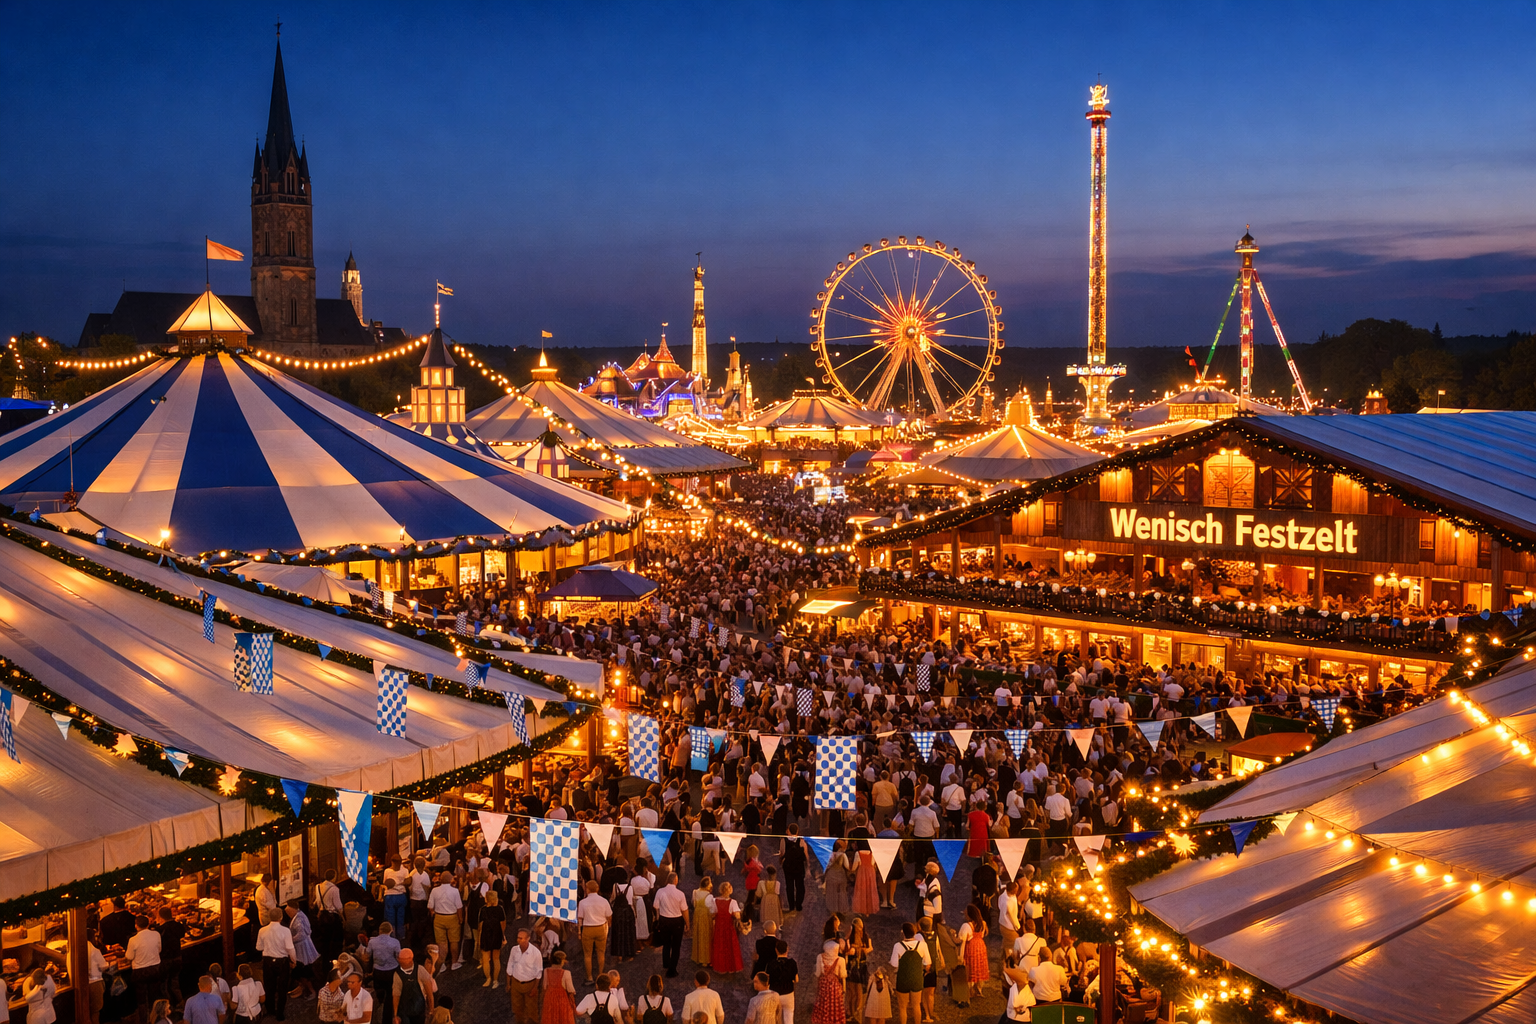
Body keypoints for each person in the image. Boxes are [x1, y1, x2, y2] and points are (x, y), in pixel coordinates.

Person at [256, 906, 298, 1021]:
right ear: (281, 917)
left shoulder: (262, 930)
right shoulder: (285, 931)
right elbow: (290, 949)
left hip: (267, 961)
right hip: (282, 961)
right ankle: (280, 1014)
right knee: (282, 988)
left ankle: (270, 1010)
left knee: (269, 987)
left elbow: (258, 947)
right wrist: (293, 960)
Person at [125, 914, 163, 1024]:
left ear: (136, 926)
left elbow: (129, 957)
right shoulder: (156, 934)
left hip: (140, 971)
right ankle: (155, 1019)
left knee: (142, 1000)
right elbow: (159, 949)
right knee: (154, 997)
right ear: (148, 924)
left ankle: (143, 1021)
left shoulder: (133, 940)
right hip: (155, 969)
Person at [889, 924, 928, 1024]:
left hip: (902, 980)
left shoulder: (898, 946)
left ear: (903, 933)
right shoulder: (922, 945)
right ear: (914, 933)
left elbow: (894, 964)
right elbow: (927, 963)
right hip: (917, 979)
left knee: (902, 1007)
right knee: (916, 1005)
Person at [652, 873, 690, 978]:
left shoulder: (660, 891)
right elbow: (684, 910)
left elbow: (655, 906)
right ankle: (672, 969)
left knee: (666, 944)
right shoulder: (680, 894)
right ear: (676, 880)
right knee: (676, 946)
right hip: (677, 921)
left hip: (664, 920)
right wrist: (688, 924)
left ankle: (666, 963)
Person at [427, 873, 465, 972]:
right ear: (450, 879)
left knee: (441, 942)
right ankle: (454, 962)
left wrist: (433, 912)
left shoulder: (434, 891)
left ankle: (442, 964)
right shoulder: (455, 891)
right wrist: (460, 918)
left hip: (439, 918)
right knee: (454, 941)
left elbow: (430, 906)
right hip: (452, 918)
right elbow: (459, 907)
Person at [577, 880, 613, 983]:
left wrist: (579, 932)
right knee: (601, 953)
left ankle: (589, 977)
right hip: (601, 928)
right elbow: (609, 915)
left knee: (587, 954)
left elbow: (580, 919)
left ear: (587, 889)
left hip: (588, 929)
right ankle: (600, 975)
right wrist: (608, 926)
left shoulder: (583, 902)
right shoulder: (604, 901)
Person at [505, 929, 543, 1024]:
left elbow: (539, 972)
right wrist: (508, 983)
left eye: (521, 938)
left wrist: (535, 988)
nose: (519, 940)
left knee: (531, 1011)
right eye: (518, 938)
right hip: (516, 984)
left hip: (530, 985)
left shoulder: (536, 953)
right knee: (517, 1010)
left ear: (528, 939)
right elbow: (510, 965)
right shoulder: (514, 950)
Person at [367, 923, 402, 1024]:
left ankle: (379, 1005)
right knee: (390, 994)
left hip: (378, 971)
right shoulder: (395, 942)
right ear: (391, 930)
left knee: (380, 991)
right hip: (392, 971)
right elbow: (398, 956)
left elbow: (368, 954)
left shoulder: (372, 942)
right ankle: (388, 1015)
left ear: (380, 930)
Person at [709, 882, 744, 975]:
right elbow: (737, 916)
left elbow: (713, 913)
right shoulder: (733, 902)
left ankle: (720, 967)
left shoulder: (715, 900)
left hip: (719, 926)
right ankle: (730, 967)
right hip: (729, 927)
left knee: (719, 945)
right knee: (729, 946)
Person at [286, 900, 320, 1000]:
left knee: (303, 970)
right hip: (303, 948)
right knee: (301, 970)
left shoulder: (298, 920)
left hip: (302, 950)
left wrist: (290, 940)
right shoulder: (300, 915)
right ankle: (302, 987)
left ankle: (310, 990)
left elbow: (301, 934)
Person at [153, 906, 185, 1008]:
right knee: (175, 983)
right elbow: (182, 934)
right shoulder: (178, 926)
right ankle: (181, 1003)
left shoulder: (159, 930)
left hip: (166, 960)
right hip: (177, 957)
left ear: (160, 917)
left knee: (164, 985)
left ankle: (168, 1007)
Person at [392, 948, 435, 1024]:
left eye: (403, 960)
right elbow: (396, 995)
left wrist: (431, 1010)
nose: (400, 961)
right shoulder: (397, 974)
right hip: (404, 1011)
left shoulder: (420, 970)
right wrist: (395, 1015)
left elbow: (429, 993)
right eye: (399, 959)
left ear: (410, 958)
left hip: (420, 1010)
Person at [811, 939, 846, 1024]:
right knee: (834, 1007)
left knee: (823, 1005)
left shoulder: (820, 957)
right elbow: (842, 976)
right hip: (835, 987)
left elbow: (818, 973)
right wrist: (844, 989)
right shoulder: (840, 960)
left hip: (823, 986)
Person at [845, 917, 872, 1023]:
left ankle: (856, 1013)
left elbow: (870, 947)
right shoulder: (850, 938)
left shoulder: (865, 937)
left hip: (860, 967)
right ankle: (852, 1013)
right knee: (852, 992)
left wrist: (860, 949)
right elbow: (847, 951)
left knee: (858, 992)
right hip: (853, 968)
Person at [478, 891, 507, 987]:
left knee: (485, 959)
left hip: (485, 935)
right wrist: (502, 935)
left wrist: (478, 939)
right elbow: (503, 924)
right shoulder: (500, 909)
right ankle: (495, 980)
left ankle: (488, 979)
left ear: (486, 898)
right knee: (496, 958)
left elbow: (480, 926)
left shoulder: (483, 910)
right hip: (497, 934)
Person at [540, 952, 576, 1024]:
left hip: (549, 998)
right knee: (563, 1018)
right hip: (562, 999)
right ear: (561, 961)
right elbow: (570, 989)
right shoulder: (566, 973)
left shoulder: (546, 971)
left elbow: (544, 986)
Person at [609, 873, 638, 963]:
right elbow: (632, 900)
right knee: (628, 933)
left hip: (617, 912)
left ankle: (619, 955)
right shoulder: (630, 887)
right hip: (628, 911)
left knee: (618, 933)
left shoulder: (615, 886)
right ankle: (628, 953)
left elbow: (612, 898)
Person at [766, 940, 797, 1024]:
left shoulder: (771, 964)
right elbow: (796, 979)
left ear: (776, 950)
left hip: (774, 994)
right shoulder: (792, 963)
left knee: (773, 1017)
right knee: (789, 1016)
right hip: (788, 993)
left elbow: (767, 980)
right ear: (787, 949)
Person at [780, 827, 808, 913]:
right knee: (800, 886)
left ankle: (791, 906)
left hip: (788, 866)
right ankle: (799, 905)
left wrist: (780, 861)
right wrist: (808, 866)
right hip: (799, 866)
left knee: (790, 886)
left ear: (788, 831)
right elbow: (806, 855)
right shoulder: (801, 841)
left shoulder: (783, 840)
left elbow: (782, 853)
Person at [381, 857, 411, 934]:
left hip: (390, 896)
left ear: (392, 862)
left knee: (390, 917)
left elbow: (385, 883)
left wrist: (394, 884)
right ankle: (401, 935)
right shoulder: (405, 871)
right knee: (401, 917)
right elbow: (408, 882)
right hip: (401, 896)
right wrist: (401, 883)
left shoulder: (387, 871)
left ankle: (391, 935)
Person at [85, 931, 109, 1024]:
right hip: (95, 983)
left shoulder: (73, 948)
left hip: (81, 985)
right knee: (95, 1012)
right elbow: (103, 966)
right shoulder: (94, 950)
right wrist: (109, 964)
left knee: (86, 1012)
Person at [822, 841, 851, 917]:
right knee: (841, 892)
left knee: (832, 893)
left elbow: (826, 866)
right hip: (840, 875)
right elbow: (847, 866)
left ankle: (832, 911)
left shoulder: (829, 854)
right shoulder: (843, 855)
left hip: (831, 875)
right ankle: (841, 910)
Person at [690, 878, 714, 968]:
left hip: (697, 915)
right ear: (707, 885)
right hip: (705, 916)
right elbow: (711, 908)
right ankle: (704, 959)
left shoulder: (695, 892)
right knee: (705, 936)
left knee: (697, 935)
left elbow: (693, 903)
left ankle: (697, 957)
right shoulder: (709, 896)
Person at [852, 844, 880, 918]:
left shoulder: (858, 854)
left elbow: (854, 867)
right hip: (870, 873)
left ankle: (861, 909)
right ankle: (870, 909)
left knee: (861, 891)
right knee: (870, 889)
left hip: (861, 873)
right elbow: (873, 863)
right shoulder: (872, 853)